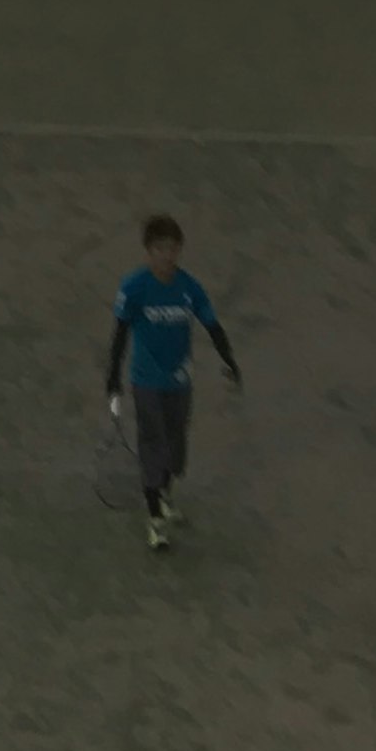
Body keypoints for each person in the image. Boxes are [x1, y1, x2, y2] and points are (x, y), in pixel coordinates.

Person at [101, 210, 240, 551]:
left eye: (173, 248)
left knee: (175, 452)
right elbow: (120, 334)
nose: (167, 255)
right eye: (160, 248)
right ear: (149, 250)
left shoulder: (190, 288)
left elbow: (213, 327)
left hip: (180, 382)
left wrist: (229, 362)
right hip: (146, 381)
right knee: (153, 446)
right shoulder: (134, 288)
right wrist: (113, 378)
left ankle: (163, 496)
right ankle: (155, 522)